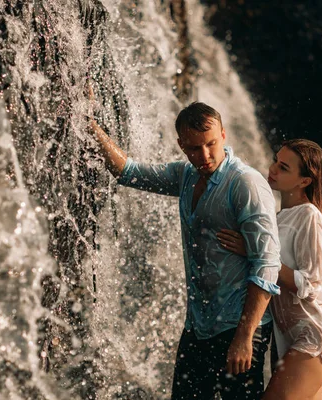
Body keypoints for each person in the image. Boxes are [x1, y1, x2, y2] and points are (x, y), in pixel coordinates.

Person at [87, 99, 282, 399]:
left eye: (211, 144)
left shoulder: (246, 184)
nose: (204, 155)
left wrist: (245, 335)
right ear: (181, 145)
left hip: (240, 327)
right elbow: (128, 171)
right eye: (193, 148)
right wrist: (89, 124)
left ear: (223, 136)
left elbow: (267, 264)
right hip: (199, 325)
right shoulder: (186, 176)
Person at [217, 139, 322, 400]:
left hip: (313, 335)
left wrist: (256, 252)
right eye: (276, 160)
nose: (273, 168)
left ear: (304, 181)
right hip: (288, 339)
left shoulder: (309, 216)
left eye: (284, 167)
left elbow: (312, 285)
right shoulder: (277, 217)